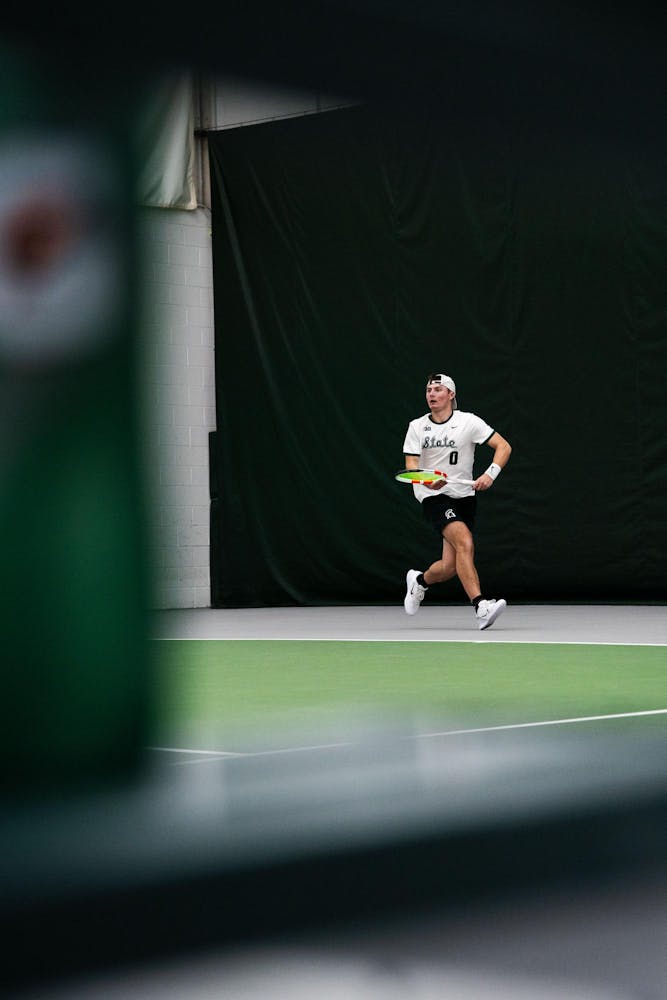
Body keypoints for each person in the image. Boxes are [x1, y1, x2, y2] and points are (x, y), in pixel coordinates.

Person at [402, 373, 512, 630]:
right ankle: (481, 606)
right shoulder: (417, 426)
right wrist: (428, 481)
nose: (431, 394)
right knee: (465, 542)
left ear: (451, 395)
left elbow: (503, 446)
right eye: (429, 390)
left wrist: (490, 474)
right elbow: (411, 466)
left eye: (438, 389)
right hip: (432, 495)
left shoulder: (468, 422)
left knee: (450, 567)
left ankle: (419, 582)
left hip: (463, 495)